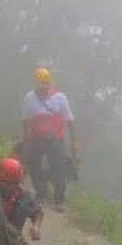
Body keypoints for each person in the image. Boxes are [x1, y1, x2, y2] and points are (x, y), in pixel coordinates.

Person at [21, 67, 78, 210]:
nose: (44, 87)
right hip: (36, 139)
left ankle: (59, 199)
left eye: (46, 84)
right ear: (36, 84)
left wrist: (74, 141)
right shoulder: (30, 98)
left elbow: (70, 120)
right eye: (41, 84)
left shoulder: (60, 98)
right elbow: (25, 120)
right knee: (34, 167)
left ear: (50, 83)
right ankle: (41, 194)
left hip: (55, 140)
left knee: (58, 169)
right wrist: (26, 139)